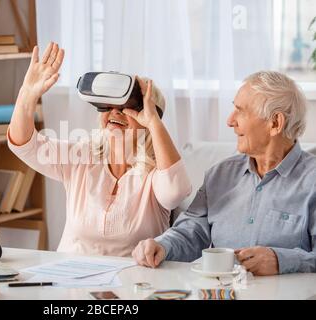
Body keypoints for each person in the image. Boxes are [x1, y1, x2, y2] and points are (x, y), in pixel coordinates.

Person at [7, 42, 192, 257]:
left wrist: (154, 123)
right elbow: (24, 144)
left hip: (132, 284)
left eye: (127, 108)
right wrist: (27, 94)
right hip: (71, 280)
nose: (115, 113)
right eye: (108, 106)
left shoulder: (153, 176)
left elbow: (176, 191)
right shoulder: (81, 159)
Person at [132, 71, 316, 275]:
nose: (230, 121)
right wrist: (162, 246)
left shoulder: (312, 180)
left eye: (240, 111)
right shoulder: (220, 175)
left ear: (275, 123)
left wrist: (282, 261)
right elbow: (191, 232)